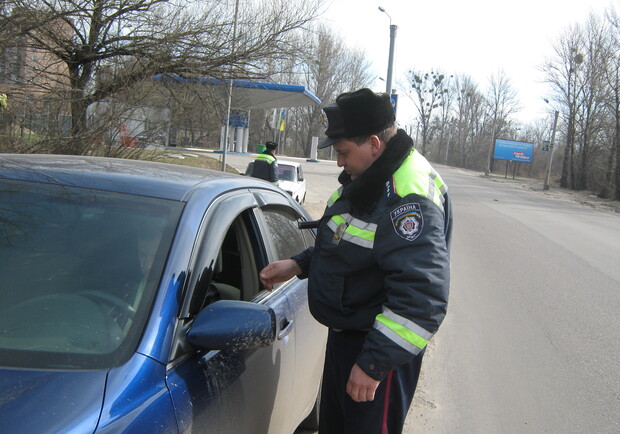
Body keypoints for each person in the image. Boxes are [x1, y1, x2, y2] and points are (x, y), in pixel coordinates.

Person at [259, 88, 452, 433]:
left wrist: (374, 363)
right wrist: (301, 263)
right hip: (350, 338)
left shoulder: (407, 198)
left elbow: (422, 300)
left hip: (377, 347)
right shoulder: (368, 178)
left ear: (374, 144)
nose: (338, 162)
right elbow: (348, 240)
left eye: (344, 151)